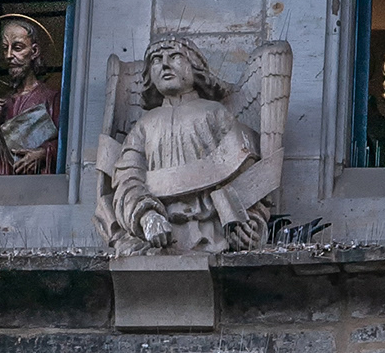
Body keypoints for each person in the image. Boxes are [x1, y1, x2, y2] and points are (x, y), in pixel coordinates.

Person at [105, 38, 270, 255]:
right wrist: (146, 216)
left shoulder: (216, 113)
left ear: (194, 67)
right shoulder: (144, 125)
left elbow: (246, 173)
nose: (164, 64)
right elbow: (127, 178)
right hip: (157, 238)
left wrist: (248, 222)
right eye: (156, 60)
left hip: (212, 232)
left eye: (174, 56)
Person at [0, 15, 60, 176]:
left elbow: (67, 145)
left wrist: (43, 153)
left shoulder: (52, 99)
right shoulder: (1, 105)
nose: (9, 55)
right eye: (5, 48)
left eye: (17, 48)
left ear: (34, 51)